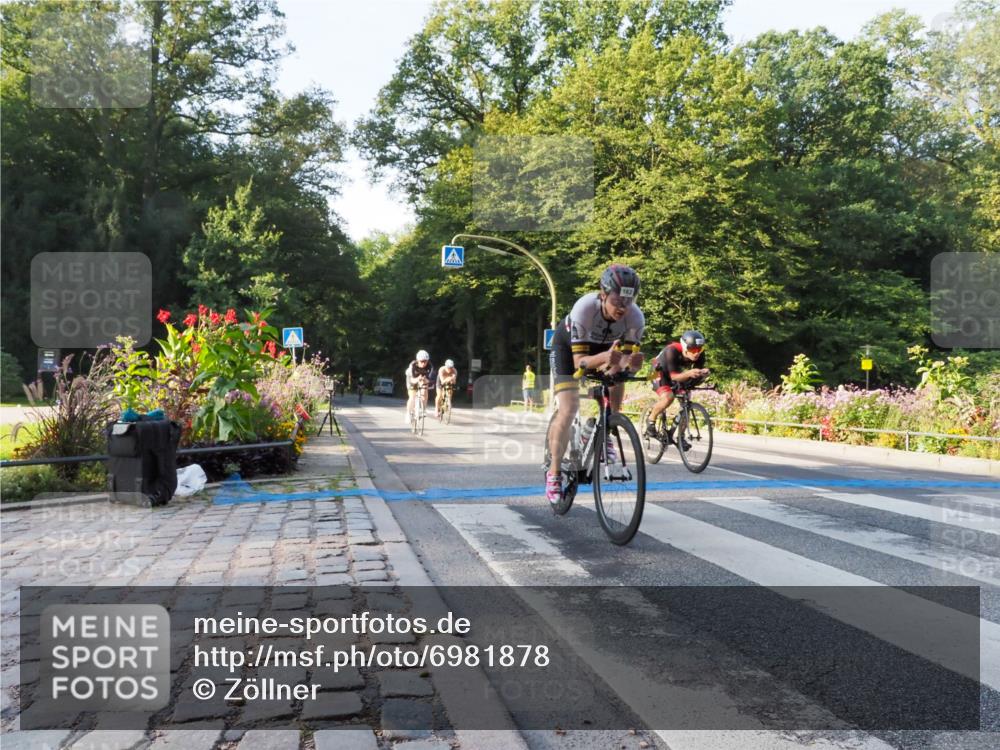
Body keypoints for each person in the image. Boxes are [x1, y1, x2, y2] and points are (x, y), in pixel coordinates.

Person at [546, 264, 645, 505]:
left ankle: (603, 428)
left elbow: (622, 363)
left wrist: (631, 365)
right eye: (616, 300)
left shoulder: (635, 318)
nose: (622, 307)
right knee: (568, 409)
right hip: (568, 347)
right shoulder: (584, 308)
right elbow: (580, 363)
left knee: (616, 383)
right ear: (603, 295)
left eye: (628, 301)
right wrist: (605, 359)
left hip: (604, 349)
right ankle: (554, 473)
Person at [645, 331, 709, 443]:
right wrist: (689, 373)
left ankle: (681, 436)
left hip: (675, 373)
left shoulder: (699, 353)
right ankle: (651, 420)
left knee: (686, 401)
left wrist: (702, 375)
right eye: (693, 350)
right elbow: (674, 377)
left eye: (699, 350)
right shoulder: (672, 350)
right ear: (684, 347)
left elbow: (693, 376)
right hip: (658, 372)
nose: (696, 353)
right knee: (668, 397)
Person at [404, 350, 434, 425]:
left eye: (425, 361)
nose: (424, 363)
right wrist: (418, 379)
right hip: (412, 379)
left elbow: (429, 379)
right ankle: (408, 413)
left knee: (424, 390)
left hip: (423, 379)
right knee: (412, 397)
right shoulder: (413, 365)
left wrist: (424, 380)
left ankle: (423, 409)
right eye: (421, 361)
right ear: (417, 360)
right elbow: (412, 380)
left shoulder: (430, 366)